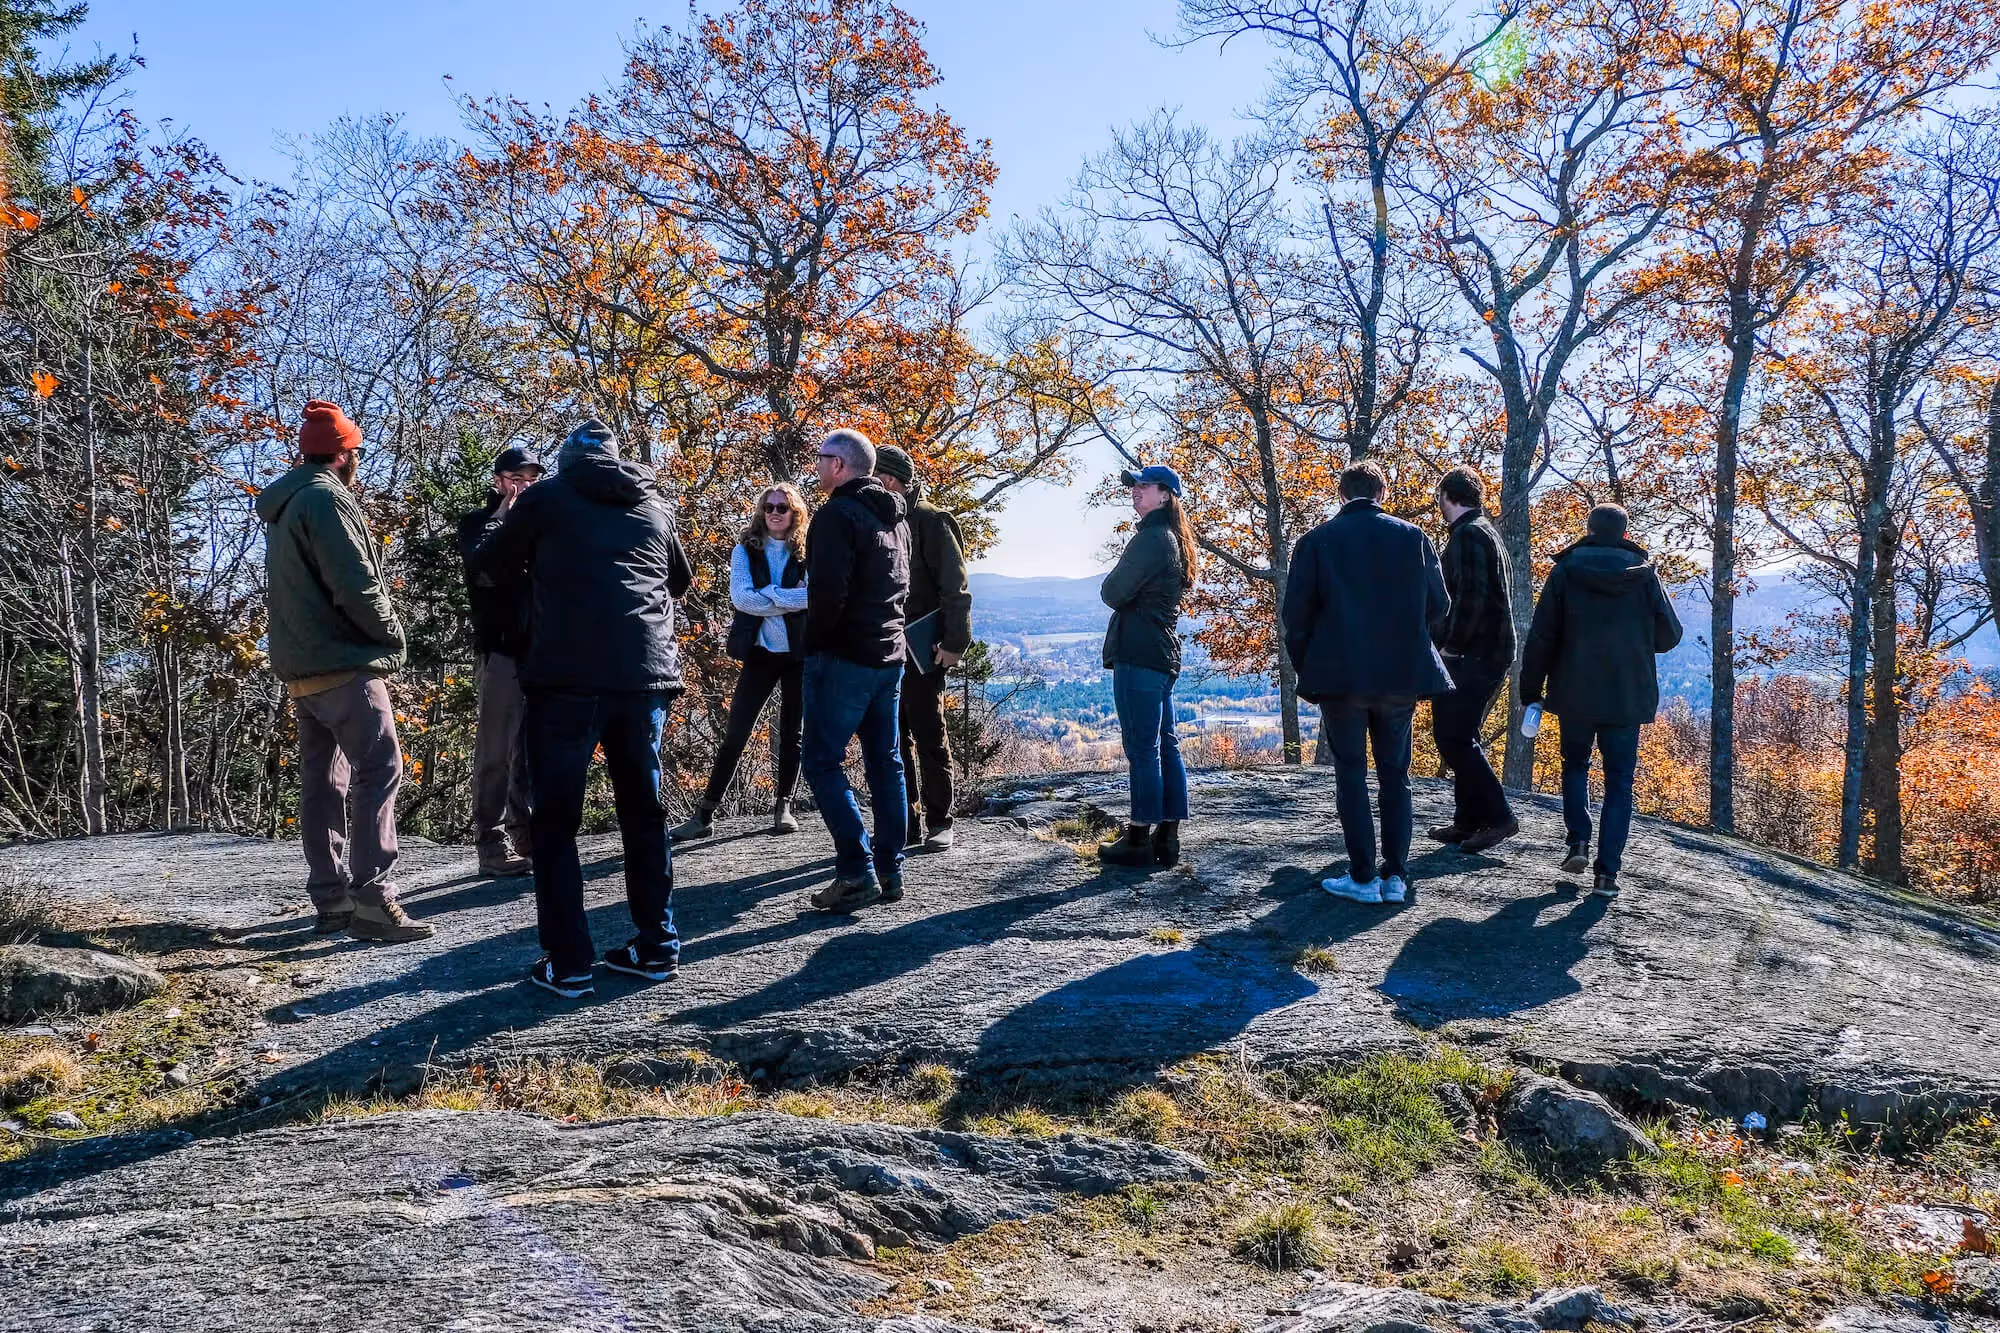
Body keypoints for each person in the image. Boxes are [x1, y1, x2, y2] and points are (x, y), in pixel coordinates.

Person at [469, 419, 695, 997]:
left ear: (566, 463)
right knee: (644, 814)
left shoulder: (546, 499)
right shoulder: (655, 504)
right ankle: (657, 948)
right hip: (644, 679)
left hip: (566, 679)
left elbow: (489, 564)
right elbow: (680, 581)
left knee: (556, 822)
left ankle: (569, 962)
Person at [255, 399, 432, 943]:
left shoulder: (286, 505)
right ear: (345, 455)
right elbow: (355, 585)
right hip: (340, 663)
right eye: (356, 452)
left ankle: (331, 898)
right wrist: (391, 636)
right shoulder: (325, 502)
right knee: (380, 768)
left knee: (323, 780)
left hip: (301, 668)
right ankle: (374, 898)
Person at [1282, 460, 1452, 905]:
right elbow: (1439, 604)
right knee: (1396, 775)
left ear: (1341, 494)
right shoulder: (1413, 537)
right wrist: (1415, 648)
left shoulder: (1316, 541)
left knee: (1351, 774)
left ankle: (1362, 877)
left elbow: (1295, 618)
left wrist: (1311, 667)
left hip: (1341, 677)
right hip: (1400, 677)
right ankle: (1396, 876)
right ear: (1383, 491)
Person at [1519, 503, 1683, 899]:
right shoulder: (1645, 578)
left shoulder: (1565, 572)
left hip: (1575, 690)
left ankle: (1577, 842)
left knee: (1575, 765)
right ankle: (1606, 874)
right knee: (1619, 784)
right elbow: (1670, 635)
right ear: (1625, 534)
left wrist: (1531, 690)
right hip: (1626, 694)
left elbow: (1542, 636)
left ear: (1589, 530)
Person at [798, 428, 911, 912]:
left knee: (821, 761)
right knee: (885, 762)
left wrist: (812, 647)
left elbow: (827, 596)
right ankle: (889, 869)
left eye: (822, 458)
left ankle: (856, 871)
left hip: (845, 659)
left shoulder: (835, 516)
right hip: (890, 658)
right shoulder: (896, 518)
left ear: (840, 466)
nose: (817, 466)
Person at [671, 483, 812, 841]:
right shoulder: (745, 550)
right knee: (736, 733)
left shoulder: (808, 551)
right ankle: (704, 814)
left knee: (792, 735)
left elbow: (815, 596)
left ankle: (784, 806)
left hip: (799, 653)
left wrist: (769, 595)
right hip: (760, 653)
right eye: (769, 507)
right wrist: (788, 599)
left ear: (795, 513)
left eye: (782, 507)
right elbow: (742, 600)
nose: (775, 513)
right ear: (761, 512)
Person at [1096, 464, 1196, 869]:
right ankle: (1166, 837)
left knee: (1142, 747)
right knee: (1165, 744)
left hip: (1139, 654)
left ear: (1166, 495)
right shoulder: (1172, 539)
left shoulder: (1151, 540)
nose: (1135, 492)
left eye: (1144, 486)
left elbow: (1113, 591)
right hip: (1160, 654)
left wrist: (1115, 586)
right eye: (1134, 486)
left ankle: (1139, 837)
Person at [873, 445, 972, 854]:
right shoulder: (877, 520)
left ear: (891, 480)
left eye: (875, 478)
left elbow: (956, 588)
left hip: (922, 648)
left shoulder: (931, 521)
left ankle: (940, 820)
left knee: (929, 732)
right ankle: (906, 821)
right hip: (882, 647)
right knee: (891, 738)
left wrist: (954, 644)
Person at [456, 446, 544, 878]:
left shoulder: (543, 527)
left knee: (533, 750)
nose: (524, 487)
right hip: (500, 652)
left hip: (542, 653)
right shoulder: (477, 522)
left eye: (531, 480)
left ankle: (527, 832)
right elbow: (478, 566)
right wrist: (503, 518)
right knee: (496, 750)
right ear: (498, 480)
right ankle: (489, 840)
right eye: (517, 478)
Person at [1427, 466, 1519, 854]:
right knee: (1463, 734)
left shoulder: (1468, 535)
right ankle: (1467, 820)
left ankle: (1499, 817)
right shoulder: (1486, 532)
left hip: (1475, 652)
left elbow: (1471, 598)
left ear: (1449, 496)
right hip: (1491, 650)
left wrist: (1452, 645)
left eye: (1439, 498)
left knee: (1452, 736)